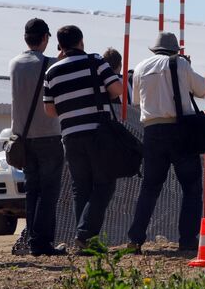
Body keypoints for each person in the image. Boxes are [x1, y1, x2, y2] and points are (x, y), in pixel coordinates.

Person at [43, 25, 123, 251]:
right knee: (105, 184)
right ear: (81, 41)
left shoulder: (52, 72)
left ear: (60, 46)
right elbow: (117, 89)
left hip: (69, 135)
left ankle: (86, 244)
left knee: (82, 188)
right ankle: (84, 234)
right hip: (97, 132)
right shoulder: (95, 61)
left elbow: (49, 110)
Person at [127, 32, 205, 253]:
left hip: (152, 131)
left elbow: (135, 101)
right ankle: (187, 240)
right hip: (180, 130)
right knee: (191, 188)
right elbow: (202, 89)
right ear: (176, 51)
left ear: (154, 50)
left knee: (149, 188)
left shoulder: (141, 67)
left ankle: (135, 238)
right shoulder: (180, 64)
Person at [9, 18, 65, 256]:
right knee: (49, 192)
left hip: (22, 138)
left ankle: (33, 240)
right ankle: (42, 243)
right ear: (45, 39)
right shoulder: (51, 65)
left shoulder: (14, 64)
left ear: (25, 38)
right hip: (49, 136)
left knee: (32, 191)